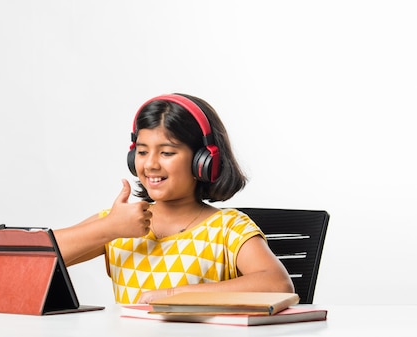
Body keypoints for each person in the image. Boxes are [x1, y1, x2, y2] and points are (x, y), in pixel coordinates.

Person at [54, 93, 294, 304]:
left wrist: (175, 295)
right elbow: (36, 258)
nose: (150, 164)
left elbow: (278, 284)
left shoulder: (227, 228)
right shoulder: (118, 223)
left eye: (167, 152)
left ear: (203, 161)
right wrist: (108, 227)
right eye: (142, 151)